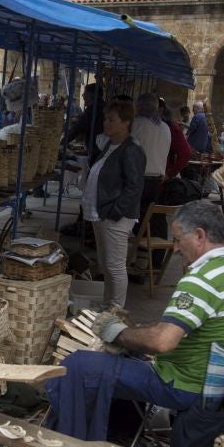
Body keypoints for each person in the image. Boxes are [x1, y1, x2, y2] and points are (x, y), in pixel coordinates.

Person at [45, 200, 224, 442]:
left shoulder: (202, 279)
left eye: (178, 239)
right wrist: (135, 333)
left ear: (199, 236)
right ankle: (119, 438)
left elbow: (162, 342)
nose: (175, 248)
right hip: (219, 382)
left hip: (186, 385)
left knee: (77, 366)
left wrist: (117, 333)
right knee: (127, 356)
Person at [81, 99, 145, 308]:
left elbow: (134, 186)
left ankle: (116, 310)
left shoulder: (131, 149)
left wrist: (115, 211)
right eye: (105, 119)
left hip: (114, 216)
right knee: (106, 265)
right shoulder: (111, 145)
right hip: (101, 213)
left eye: (111, 119)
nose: (106, 123)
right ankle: (107, 306)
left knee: (115, 266)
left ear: (126, 123)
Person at [131, 93, 172, 238]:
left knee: (134, 217)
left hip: (137, 178)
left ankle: (137, 246)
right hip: (156, 180)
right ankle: (144, 245)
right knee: (148, 216)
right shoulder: (165, 127)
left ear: (139, 107)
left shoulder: (136, 124)